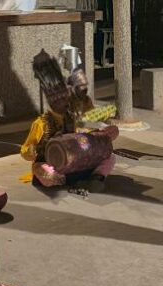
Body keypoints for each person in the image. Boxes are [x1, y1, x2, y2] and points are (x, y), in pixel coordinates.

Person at [23, 53, 115, 192]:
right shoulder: (41, 123)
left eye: (62, 96)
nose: (59, 100)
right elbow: (24, 151)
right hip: (52, 164)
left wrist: (109, 121)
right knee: (48, 174)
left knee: (110, 156)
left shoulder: (74, 113)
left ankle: (96, 178)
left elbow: (92, 114)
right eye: (54, 98)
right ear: (49, 100)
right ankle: (73, 181)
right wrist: (33, 150)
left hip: (75, 161)